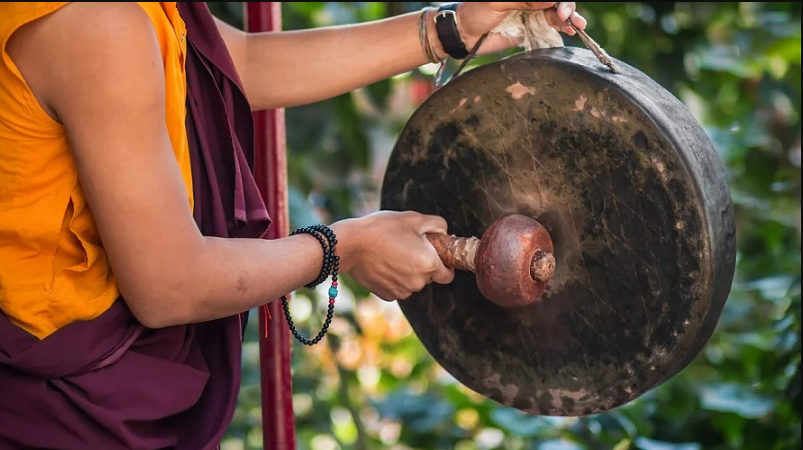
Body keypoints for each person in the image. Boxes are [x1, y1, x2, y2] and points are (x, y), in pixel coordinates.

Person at [0, 2, 587, 448]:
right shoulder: (96, 23)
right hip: (58, 407)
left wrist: (450, 28)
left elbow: (238, 63)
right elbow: (167, 286)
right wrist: (343, 247)